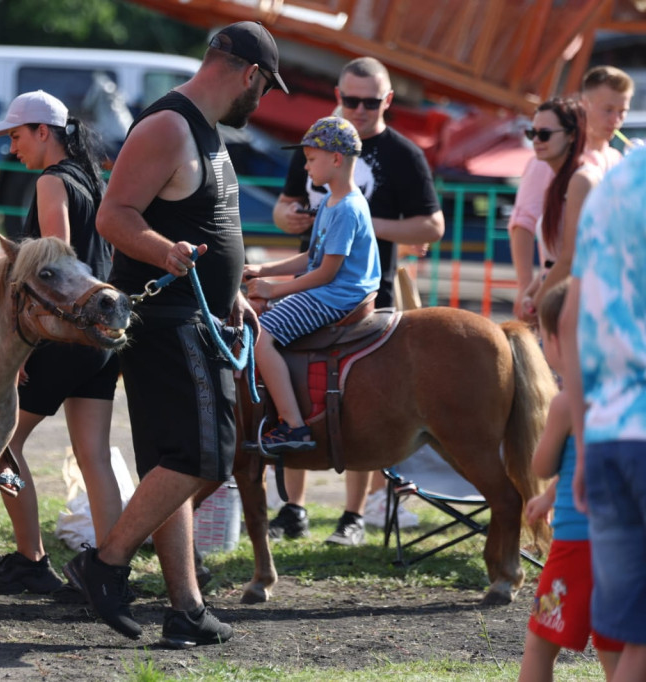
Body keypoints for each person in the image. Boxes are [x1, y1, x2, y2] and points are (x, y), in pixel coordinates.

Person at [63, 21, 284, 647]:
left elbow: (203, 223)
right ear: (249, 74)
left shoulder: (205, 133)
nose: (262, 102)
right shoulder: (167, 125)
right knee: (202, 457)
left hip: (201, 317)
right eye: (265, 88)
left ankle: (185, 609)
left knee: (174, 461)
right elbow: (114, 216)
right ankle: (104, 566)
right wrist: (167, 255)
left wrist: (231, 290)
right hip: (170, 319)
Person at [266, 57, 444, 546]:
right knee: (302, 376)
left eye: (370, 101)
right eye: (352, 99)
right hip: (319, 279)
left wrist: (362, 226)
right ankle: (293, 508)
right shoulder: (319, 147)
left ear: (387, 100)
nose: (360, 108)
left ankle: (352, 517)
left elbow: (432, 226)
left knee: (364, 403)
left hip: (361, 289)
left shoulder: (402, 155)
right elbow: (285, 209)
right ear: (338, 96)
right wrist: (292, 221)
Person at [0, 90, 120, 595]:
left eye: (16, 136)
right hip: (101, 338)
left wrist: (25, 350)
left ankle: (31, 559)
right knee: (93, 456)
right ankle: (110, 566)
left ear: (42, 132)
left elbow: (57, 270)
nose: (12, 149)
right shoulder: (90, 179)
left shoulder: (52, 182)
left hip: (64, 336)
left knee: (3, 445)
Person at [243, 116, 379, 451]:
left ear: (336, 159)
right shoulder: (331, 202)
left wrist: (274, 289)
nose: (305, 167)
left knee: (262, 338)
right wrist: (263, 269)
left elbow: (326, 273)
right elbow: (311, 257)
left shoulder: (347, 208)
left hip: (338, 295)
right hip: (328, 288)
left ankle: (294, 427)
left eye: (311, 158)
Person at [562, 146, 646, 681]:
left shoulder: (612, 184)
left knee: (635, 640)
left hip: (611, 431)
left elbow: (570, 318)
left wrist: (585, 442)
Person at [518, 279, 622, 682]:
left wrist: (546, 451)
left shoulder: (565, 403)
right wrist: (550, 498)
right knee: (613, 647)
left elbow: (541, 465)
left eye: (542, 336)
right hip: (624, 543)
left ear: (560, 338)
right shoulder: (626, 395)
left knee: (540, 644)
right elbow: (593, 460)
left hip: (576, 546)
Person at [508, 66, 633, 323]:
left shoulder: (614, 159)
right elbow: (523, 222)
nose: (616, 120)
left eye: (622, 112)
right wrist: (525, 287)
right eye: (608, 110)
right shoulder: (552, 156)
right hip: (560, 292)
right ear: (584, 104)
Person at [517, 98, 594, 322]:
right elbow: (552, 262)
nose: (537, 141)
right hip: (561, 300)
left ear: (572, 135)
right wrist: (530, 293)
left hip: (577, 307)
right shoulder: (560, 180)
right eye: (532, 134)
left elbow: (570, 258)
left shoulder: (581, 180)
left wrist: (535, 303)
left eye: (545, 134)